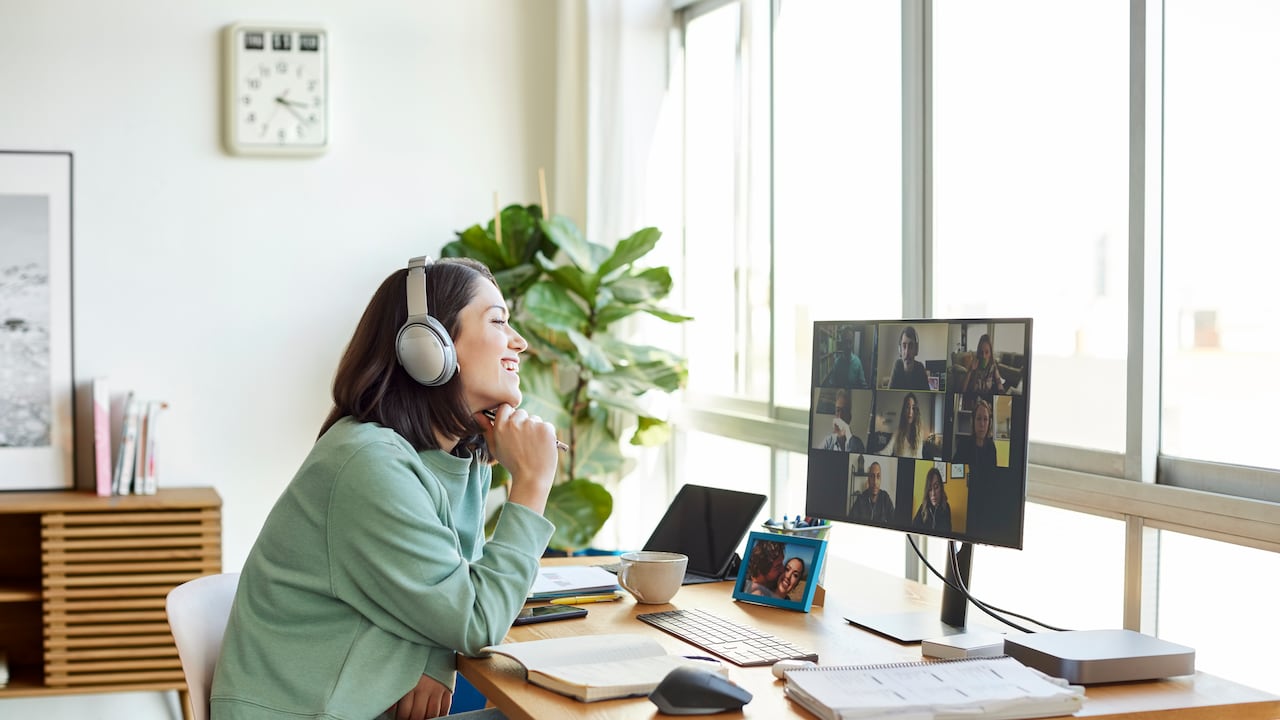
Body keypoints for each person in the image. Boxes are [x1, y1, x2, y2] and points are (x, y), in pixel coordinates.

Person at [212, 257, 560, 720]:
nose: (520, 342)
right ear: (428, 346)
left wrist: (434, 658)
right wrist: (532, 483)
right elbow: (477, 620)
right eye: (498, 321)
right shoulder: (368, 463)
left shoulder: (457, 458)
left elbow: (450, 589)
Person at [952, 397, 997, 468]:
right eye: (979, 418)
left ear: (989, 423)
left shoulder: (991, 447)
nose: (982, 424)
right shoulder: (963, 445)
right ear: (973, 422)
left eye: (985, 419)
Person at [884, 392, 925, 458]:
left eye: (913, 408)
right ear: (904, 410)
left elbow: (919, 456)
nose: (910, 412)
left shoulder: (919, 433)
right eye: (908, 407)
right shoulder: (897, 432)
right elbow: (887, 451)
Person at [888, 326, 930, 390]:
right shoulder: (898, 365)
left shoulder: (920, 368)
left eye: (910, 346)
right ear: (900, 350)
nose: (907, 352)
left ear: (916, 349)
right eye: (904, 346)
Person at [912, 467, 952, 532]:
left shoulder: (946, 507)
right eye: (930, 489)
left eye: (936, 487)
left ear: (941, 488)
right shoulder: (923, 508)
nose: (933, 493)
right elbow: (912, 528)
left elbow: (948, 533)